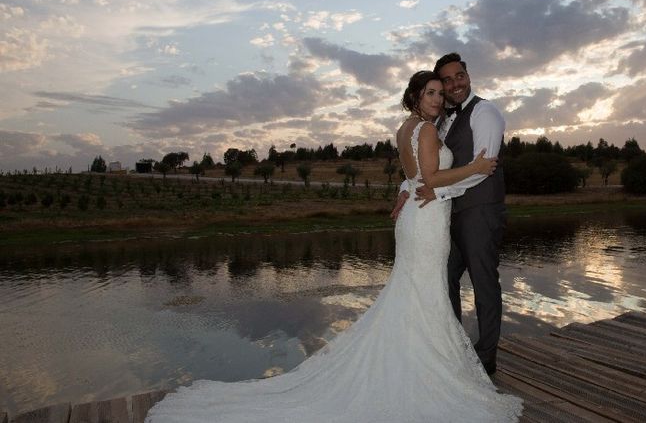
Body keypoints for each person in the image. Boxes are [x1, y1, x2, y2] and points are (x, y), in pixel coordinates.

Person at [145, 71, 522, 423]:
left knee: (416, 294)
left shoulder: (404, 128)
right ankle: (421, 371)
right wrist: (477, 167)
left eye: (441, 94)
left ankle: (412, 361)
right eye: (432, 93)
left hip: (419, 216)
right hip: (426, 221)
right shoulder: (424, 130)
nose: (439, 100)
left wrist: (403, 194)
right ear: (415, 97)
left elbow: (414, 179)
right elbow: (434, 177)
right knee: (425, 293)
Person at [392, 53, 507, 376]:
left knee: (484, 282)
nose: (453, 85)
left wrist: (436, 190)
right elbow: (424, 167)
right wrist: (406, 188)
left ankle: (486, 357)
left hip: (479, 210)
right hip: (444, 214)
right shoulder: (437, 122)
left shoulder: (485, 112)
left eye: (459, 77)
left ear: (467, 75)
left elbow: (483, 170)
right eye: (445, 82)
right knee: (444, 280)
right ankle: (451, 345)